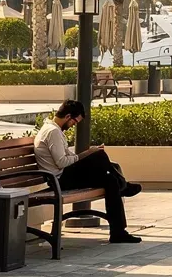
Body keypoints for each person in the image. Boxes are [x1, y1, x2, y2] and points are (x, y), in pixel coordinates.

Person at [33, 100, 142, 243]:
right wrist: (88, 153)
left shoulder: (54, 130)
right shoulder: (52, 132)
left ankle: (118, 232)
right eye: (74, 122)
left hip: (62, 176)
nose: (73, 126)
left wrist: (87, 154)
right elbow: (62, 162)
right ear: (67, 117)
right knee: (99, 156)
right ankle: (125, 186)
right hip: (59, 180)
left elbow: (67, 157)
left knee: (111, 180)